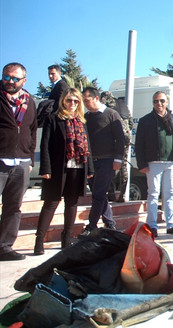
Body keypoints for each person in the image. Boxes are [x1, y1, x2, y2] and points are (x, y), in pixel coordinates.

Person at [35, 88, 93, 254]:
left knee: (72, 203)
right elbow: (45, 145)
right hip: (57, 168)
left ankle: (66, 240)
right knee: (51, 203)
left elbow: (87, 147)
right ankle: (39, 241)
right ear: (63, 101)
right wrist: (45, 168)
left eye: (76, 101)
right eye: (69, 100)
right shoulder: (53, 119)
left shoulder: (81, 121)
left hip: (78, 167)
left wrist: (90, 168)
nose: (72, 104)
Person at [135, 91, 173, 237]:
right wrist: (142, 164)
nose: (159, 104)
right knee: (153, 194)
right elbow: (139, 144)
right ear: (153, 103)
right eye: (156, 101)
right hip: (153, 163)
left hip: (171, 162)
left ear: (167, 102)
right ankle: (152, 225)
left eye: (162, 101)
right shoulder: (146, 120)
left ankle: (171, 224)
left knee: (170, 194)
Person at [0, 63, 37, 261]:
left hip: (21, 161)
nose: (10, 82)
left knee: (13, 207)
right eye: (6, 77)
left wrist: (30, 158)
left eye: (15, 78)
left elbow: (32, 130)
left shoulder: (29, 101)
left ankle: (4, 247)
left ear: (23, 81)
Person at [80, 87, 124, 235]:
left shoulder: (111, 114)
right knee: (99, 193)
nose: (85, 103)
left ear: (96, 98)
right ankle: (110, 222)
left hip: (108, 160)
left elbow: (120, 138)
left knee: (98, 193)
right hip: (91, 162)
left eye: (87, 100)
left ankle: (92, 225)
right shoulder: (86, 117)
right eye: (84, 101)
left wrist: (118, 159)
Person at [100, 91, 133, 202]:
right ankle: (123, 194)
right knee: (123, 165)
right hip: (126, 137)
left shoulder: (107, 105)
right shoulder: (123, 104)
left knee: (110, 164)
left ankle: (111, 193)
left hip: (114, 137)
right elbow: (131, 124)